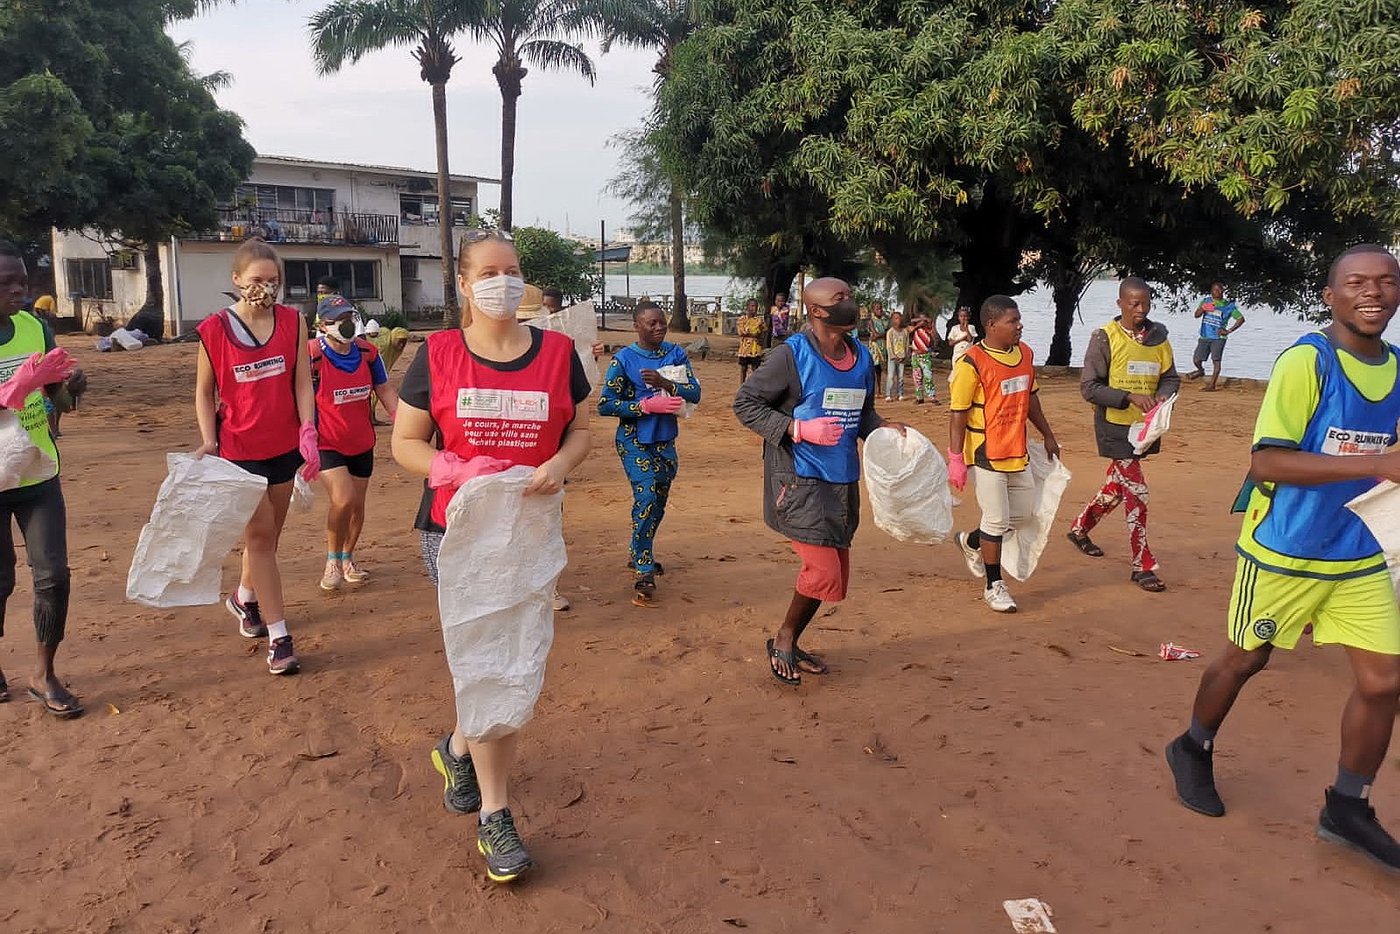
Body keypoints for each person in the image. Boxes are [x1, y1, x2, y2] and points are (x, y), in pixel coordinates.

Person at [1165, 244, 1400, 871]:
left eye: (1385, 281)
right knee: (1247, 658)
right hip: (1285, 550)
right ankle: (1192, 746)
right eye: (1357, 282)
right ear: (1331, 295)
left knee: (1385, 682)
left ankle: (1347, 806)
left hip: (1358, 551)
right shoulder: (1307, 361)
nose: (1372, 293)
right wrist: (1377, 462)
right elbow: (1267, 461)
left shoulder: (1398, 367)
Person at [391, 229, 591, 884]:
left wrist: (560, 463)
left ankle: (457, 748)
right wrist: (452, 467)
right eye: (488, 272)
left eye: (512, 270)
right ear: (463, 283)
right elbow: (405, 443)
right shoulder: (438, 354)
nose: (503, 282)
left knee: (508, 660)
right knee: (488, 660)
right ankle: (495, 814)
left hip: (528, 533)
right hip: (455, 533)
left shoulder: (557, 353)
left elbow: (581, 431)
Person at [734, 277, 905, 685]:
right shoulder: (790, 356)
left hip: (842, 478)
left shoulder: (860, 356)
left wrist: (883, 427)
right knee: (823, 571)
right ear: (816, 311)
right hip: (799, 479)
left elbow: (863, 413)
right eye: (840, 298)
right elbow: (745, 403)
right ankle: (783, 638)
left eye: (850, 295)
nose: (851, 302)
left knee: (835, 575)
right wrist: (797, 428)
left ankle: (791, 639)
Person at [195, 238, 318, 676]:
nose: (264, 288)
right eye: (256, 280)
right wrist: (209, 441)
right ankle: (280, 638)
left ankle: (244, 597)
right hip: (239, 450)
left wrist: (308, 428)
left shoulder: (293, 321)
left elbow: (302, 381)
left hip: (283, 446)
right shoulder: (214, 330)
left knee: (267, 540)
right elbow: (204, 391)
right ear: (236, 279)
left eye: (273, 280)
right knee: (262, 539)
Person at [0, 241, 85, 717]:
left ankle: (43, 673)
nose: (18, 290)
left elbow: (56, 394)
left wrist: (69, 388)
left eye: (22, 281)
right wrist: (16, 387)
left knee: (53, 575)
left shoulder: (35, 327)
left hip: (37, 471)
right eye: (6, 283)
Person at [1065, 276, 1180, 592]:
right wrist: (1129, 397)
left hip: (1145, 429)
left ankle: (1080, 528)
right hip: (1114, 427)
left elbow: (1171, 378)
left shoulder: (1159, 338)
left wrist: (1162, 396)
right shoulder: (1104, 337)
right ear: (1120, 304)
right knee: (1137, 491)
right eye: (1134, 304)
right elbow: (1089, 388)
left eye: (1146, 303)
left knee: (1118, 485)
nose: (1141, 309)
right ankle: (1142, 565)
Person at [947, 296, 1061, 613]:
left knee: (1021, 516)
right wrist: (956, 458)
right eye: (1013, 321)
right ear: (991, 325)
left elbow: (1031, 399)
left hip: (1017, 449)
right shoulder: (971, 362)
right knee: (996, 520)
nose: (1019, 326)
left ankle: (971, 542)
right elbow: (958, 413)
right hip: (985, 453)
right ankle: (994, 585)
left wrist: (1048, 434)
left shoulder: (1025, 354)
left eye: (1019, 319)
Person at [598, 301, 701, 606]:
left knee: (658, 502)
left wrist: (665, 384)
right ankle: (644, 567)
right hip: (634, 439)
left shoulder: (675, 353)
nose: (659, 327)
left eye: (662, 322)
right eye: (651, 323)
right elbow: (605, 404)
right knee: (646, 496)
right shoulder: (623, 359)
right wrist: (643, 406)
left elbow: (694, 392)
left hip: (665, 438)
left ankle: (638, 548)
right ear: (637, 326)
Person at [309, 295, 399, 590]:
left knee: (357, 506)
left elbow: (383, 388)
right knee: (343, 499)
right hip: (326, 442)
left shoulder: (367, 352)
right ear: (323, 325)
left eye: (349, 316)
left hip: (361, 442)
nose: (346, 323)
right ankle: (332, 560)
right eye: (339, 319)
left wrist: (400, 420)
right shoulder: (312, 356)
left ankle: (348, 558)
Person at [1186, 281, 1245, 392]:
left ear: (1223, 291)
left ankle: (1212, 385)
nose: (1216, 292)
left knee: (1216, 361)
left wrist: (1228, 331)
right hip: (1205, 335)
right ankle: (1200, 370)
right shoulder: (1206, 301)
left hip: (1219, 338)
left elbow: (1241, 319)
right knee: (1196, 359)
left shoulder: (1228, 306)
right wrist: (1203, 308)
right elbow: (1196, 315)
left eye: (1219, 290)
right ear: (1211, 291)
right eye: (1214, 290)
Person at [364, 319, 411, 426]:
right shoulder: (383, 343)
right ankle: (370, 418)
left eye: (403, 342)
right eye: (400, 341)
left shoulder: (387, 335)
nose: (401, 345)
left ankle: (371, 418)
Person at [909, 313, 940, 405]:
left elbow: (934, 336)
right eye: (920, 319)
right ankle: (919, 397)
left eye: (924, 320)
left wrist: (926, 321)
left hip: (925, 356)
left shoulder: (928, 330)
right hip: (915, 355)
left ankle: (932, 397)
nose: (923, 322)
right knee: (917, 378)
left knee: (928, 377)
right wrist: (919, 324)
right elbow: (910, 325)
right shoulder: (915, 329)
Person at [864, 301, 891, 394]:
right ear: (873, 310)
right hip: (875, 347)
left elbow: (887, 333)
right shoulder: (871, 321)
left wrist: (882, 335)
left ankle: (879, 389)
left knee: (880, 369)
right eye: (877, 309)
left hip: (882, 345)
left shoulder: (884, 321)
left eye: (880, 308)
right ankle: (873, 389)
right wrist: (884, 334)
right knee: (874, 368)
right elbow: (875, 335)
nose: (880, 310)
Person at [737, 299, 766, 382]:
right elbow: (741, 332)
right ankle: (742, 385)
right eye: (752, 306)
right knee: (743, 368)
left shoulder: (759, 320)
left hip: (755, 348)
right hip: (744, 349)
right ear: (747, 307)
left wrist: (760, 339)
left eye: (756, 306)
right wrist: (753, 334)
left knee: (755, 368)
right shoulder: (742, 319)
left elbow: (764, 331)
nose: (754, 308)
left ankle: (754, 385)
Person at [883, 310, 909, 401]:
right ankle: (888, 394)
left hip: (902, 357)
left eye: (899, 318)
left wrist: (905, 356)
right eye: (896, 318)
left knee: (901, 377)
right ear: (892, 320)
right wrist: (893, 356)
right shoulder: (890, 332)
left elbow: (906, 345)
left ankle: (900, 393)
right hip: (892, 358)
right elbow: (889, 346)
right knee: (891, 376)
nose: (898, 320)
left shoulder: (905, 332)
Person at [946, 306, 976, 383]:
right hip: (957, 355)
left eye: (965, 316)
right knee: (957, 372)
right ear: (958, 317)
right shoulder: (954, 328)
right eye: (961, 316)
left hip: (967, 355)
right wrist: (961, 339)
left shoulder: (971, 327)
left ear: (968, 317)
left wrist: (966, 328)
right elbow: (950, 342)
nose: (963, 318)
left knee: (966, 373)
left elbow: (970, 339)